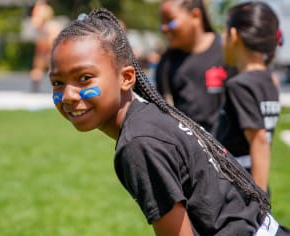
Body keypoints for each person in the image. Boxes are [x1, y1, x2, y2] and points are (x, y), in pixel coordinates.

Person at [48, 8, 290, 235]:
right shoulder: (150, 118)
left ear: (126, 78)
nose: (68, 95)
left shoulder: (139, 144)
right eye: (58, 82)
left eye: (85, 78)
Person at [215, 1, 282, 196]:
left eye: (224, 32)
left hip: (241, 190)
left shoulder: (240, 85)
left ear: (234, 36)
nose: (222, 38)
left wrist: (258, 203)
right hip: (255, 182)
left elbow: (259, 140)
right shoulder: (269, 80)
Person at [155, 0, 230, 133]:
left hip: (224, 148)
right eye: (162, 23)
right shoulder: (167, 62)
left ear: (195, 16)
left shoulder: (226, 53)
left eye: (170, 21)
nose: (164, 28)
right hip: (186, 148)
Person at [29, 0, 62, 93]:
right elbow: (36, 23)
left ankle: (37, 89)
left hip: (47, 41)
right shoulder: (42, 9)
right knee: (41, 68)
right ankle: (36, 89)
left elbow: (36, 23)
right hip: (46, 41)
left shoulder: (42, 9)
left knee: (50, 67)